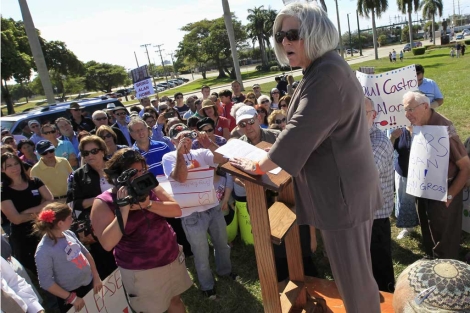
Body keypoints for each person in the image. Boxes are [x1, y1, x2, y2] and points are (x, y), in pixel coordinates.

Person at [230, 3, 383, 312]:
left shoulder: (325, 74)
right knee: (355, 278)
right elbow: (311, 129)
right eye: (279, 35)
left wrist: (254, 164)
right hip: (344, 191)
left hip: (342, 197)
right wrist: (267, 151)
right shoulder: (323, 68)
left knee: (354, 282)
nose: (285, 41)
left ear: (315, 33)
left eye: (293, 34)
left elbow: (299, 132)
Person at [91, 149, 192, 312]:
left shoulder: (149, 185)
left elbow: (176, 210)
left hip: (170, 257)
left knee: (175, 300)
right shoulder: (103, 203)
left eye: (142, 171)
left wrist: (148, 205)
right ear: (118, 176)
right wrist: (123, 210)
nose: (139, 176)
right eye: (133, 173)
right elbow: (107, 244)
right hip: (142, 271)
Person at [162, 124, 235, 299]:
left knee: (222, 244)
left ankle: (225, 271)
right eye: (180, 138)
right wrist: (181, 153)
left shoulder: (202, 152)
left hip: (212, 207)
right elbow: (180, 178)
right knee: (201, 252)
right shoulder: (169, 157)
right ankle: (207, 285)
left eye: (188, 135)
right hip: (190, 214)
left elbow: (225, 160)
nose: (185, 140)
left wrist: (209, 143)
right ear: (173, 141)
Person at [403, 90, 470, 259]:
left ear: (425, 106)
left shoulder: (444, 128)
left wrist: (450, 194)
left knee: (445, 237)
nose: (407, 114)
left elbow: (465, 166)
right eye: (405, 110)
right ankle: (432, 261)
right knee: (428, 227)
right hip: (423, 189)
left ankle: (446, 272)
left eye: (410, 109)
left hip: (444, 190)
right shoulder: (415, 125)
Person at [34, 203, 102, 313]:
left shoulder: (68, 233)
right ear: (60, 223)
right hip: (71, 295)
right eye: (70, 218)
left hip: (89, 284)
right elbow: (45, 282)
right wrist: (72, 298)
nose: (73, 220)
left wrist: (96, 276)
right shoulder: (44, 250)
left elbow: (85, 253)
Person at [65, 135, 117, 279]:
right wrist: (101, 199)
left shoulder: (116, 166)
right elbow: (73, 203)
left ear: (102, 150)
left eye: (94, 151)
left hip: (125, 216)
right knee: (107, 265)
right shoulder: (78, 176)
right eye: (85, 153)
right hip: (98, 225)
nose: (90, 155)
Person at [1, 152, 54, 273]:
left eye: (16, 164)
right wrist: (41, 210)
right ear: (2, 169)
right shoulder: (3, 191)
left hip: (46, 228)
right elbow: (16, 219)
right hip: (24, 236)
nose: (14, 168)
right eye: (9, 166)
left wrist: (27, 212)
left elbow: (50, 200)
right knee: (39, 269)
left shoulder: (35, 181)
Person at [364, 97, 395, 292]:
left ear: (374, 116)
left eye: (363, 113)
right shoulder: (354, 139)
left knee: (380, 267)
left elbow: (363, 175)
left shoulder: (380, 141)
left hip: (376, 217)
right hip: (360, 216)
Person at [389, 124, 419, 239]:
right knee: (404, 200)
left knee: (423, 203)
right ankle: (408, 227)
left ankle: (425, 224)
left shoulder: (425, 129)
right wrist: (392, 137)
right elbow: (389, 150)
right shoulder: (399, 130)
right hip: (403, 172)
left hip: (422, 175)